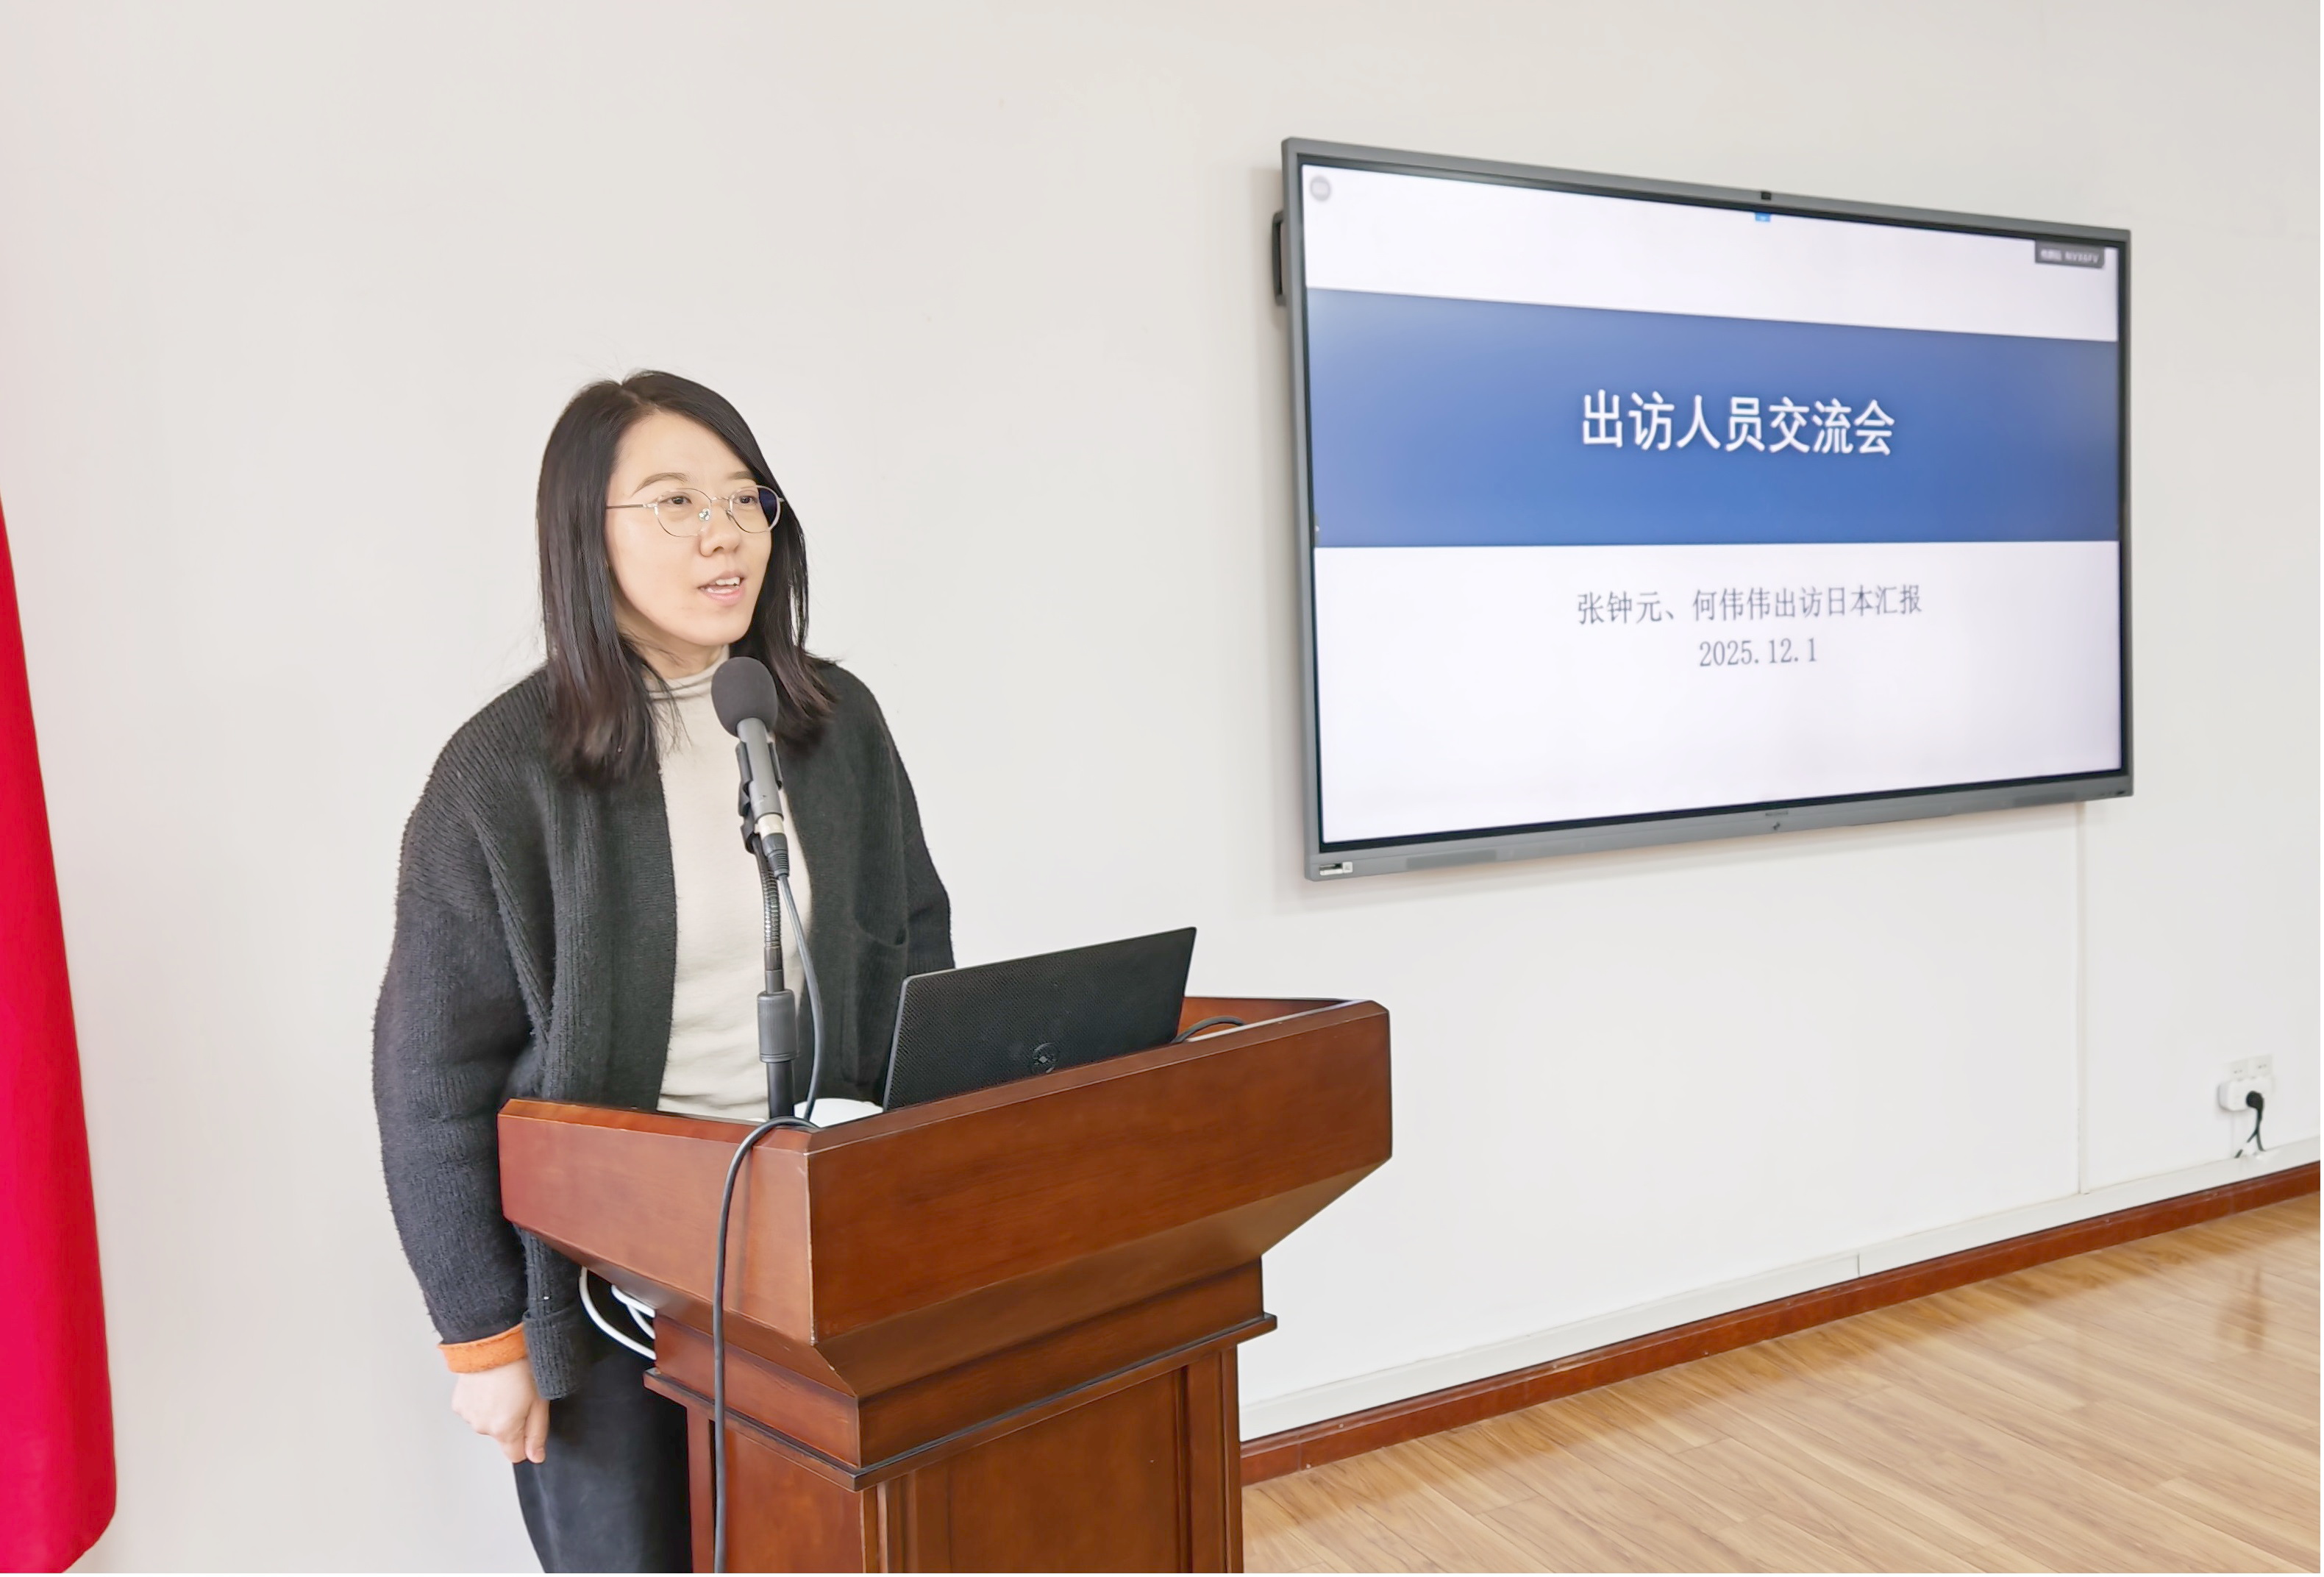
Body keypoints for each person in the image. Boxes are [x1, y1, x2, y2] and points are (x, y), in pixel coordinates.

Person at [374, 371, 952, 1571]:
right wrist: (484, 1338)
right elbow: (431, 1077)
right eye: (676, 501)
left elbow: (915, 942)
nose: (723, 533)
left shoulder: (834, 724)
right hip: (609, 1288)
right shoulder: (503, 774)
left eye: (745, 499)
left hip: (823, 1260)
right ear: (583, 537)